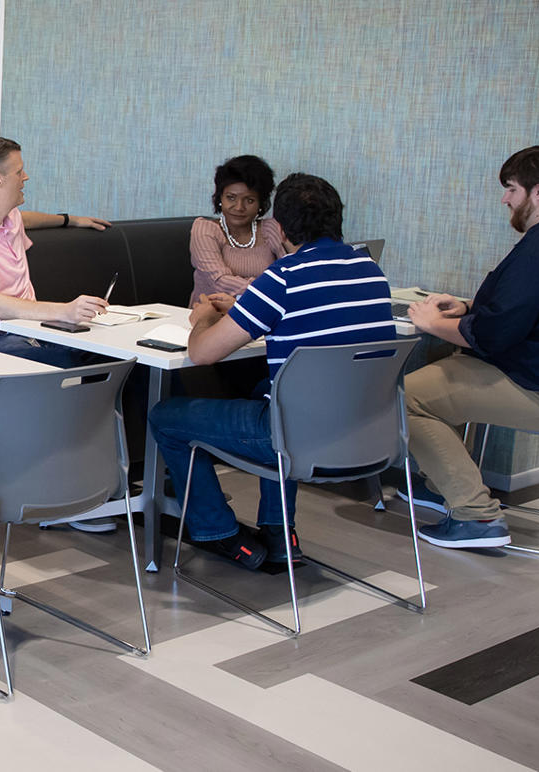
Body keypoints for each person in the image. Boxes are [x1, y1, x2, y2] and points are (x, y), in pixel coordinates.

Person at [148, 173, 395, 568]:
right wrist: (245, 313)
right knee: (268, 388)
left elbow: (202, 353)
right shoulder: (370, 271)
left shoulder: (281, 279)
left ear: (278, 228)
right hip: (365, 434)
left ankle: (218, 531)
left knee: (165, 417)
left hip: (297, 438)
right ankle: (279, 530)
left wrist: (203, 317)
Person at [404, 144, 539, 550]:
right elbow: (538, 309)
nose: (505, 198)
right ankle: (445, 486)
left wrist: (434, 323)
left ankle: (477, 516)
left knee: (404, 397)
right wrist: (468, 306)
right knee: (447, 374)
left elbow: (493, 335)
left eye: (511, 189)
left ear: (538, 192)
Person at [0, 136, 111, 369]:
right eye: (19, 172)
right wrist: (65, 311)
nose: (25, 177)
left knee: (106, 354)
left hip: (26, 328)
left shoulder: (9, 215)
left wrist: (70, 220)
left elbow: (27, 219)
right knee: (63, 362)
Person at [189, 155, 287, 306]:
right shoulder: (205, 230)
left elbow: (289, 270)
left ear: (261, 203)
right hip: (212, 316)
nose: (239, 207)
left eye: (249, 200)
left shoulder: (271, 228)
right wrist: (270, 291)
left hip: (263, 314)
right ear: (220, 197)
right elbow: (219, 282)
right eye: (231, 197)